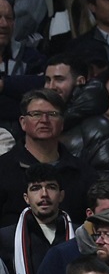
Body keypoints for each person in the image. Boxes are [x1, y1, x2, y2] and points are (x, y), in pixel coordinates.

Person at [0, 89, 98, 227]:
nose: (44, 120)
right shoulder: (3, 168)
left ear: (62, 123)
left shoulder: (83, 172)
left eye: (52, 114)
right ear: (23, 122)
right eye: (36, 114)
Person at [0, 164, 74, 274]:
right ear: (26, 198)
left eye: (51, 187)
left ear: (61, 195)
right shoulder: (5, 237)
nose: (44, 194)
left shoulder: (79, 234)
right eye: (36, 188)